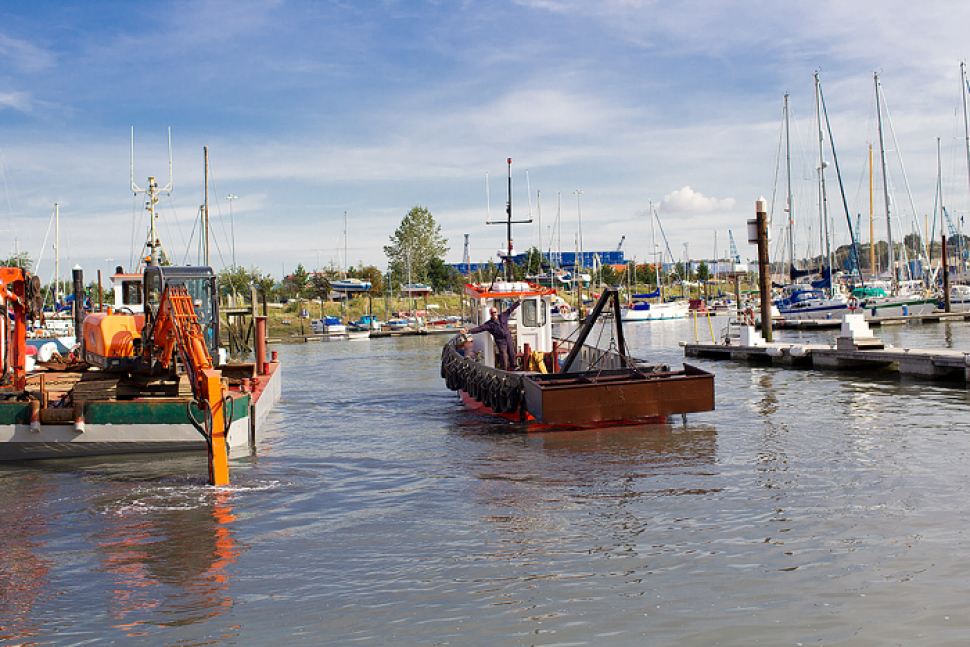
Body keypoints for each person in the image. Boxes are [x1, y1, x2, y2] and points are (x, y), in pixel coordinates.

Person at [464, 298, 522, 370]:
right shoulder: (489, 324)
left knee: (511, 352)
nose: (494, 314)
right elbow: (480, 328)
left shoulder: (503, 316)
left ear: (497, 312)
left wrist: (518, 301)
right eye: (492, 313)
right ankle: (504, 370)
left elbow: (510, 309)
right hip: (500, 340)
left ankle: (514, 366)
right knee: (503, 355)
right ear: (490, 314)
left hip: (508, 337)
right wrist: (469, 331)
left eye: (495, 312)